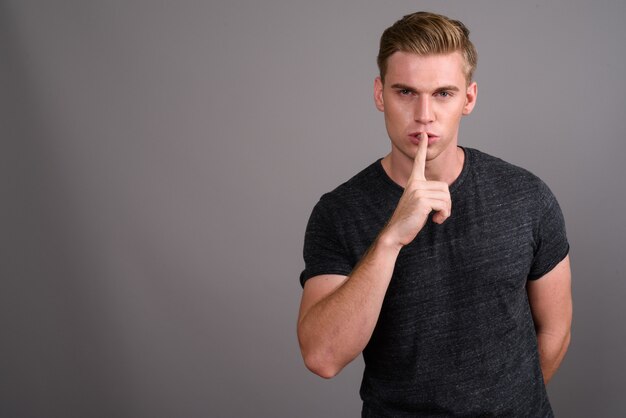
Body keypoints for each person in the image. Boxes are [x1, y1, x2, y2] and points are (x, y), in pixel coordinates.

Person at [297, 11, 572, 417]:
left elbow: (555, 330)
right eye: (405, 92)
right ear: (379, 94)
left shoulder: (526, 196)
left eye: (443, 93)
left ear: (469, 98)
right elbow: (322, 356)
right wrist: (391, 238)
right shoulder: (339, 213)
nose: (424, 114)